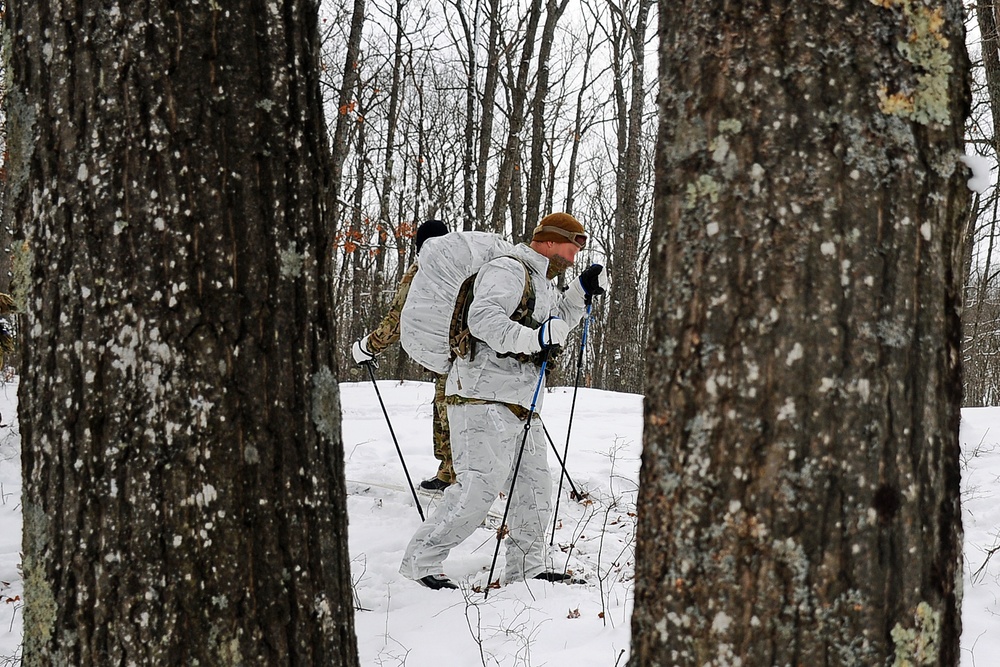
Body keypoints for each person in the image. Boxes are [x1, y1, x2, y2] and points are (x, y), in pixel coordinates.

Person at [398, 212, 608, 590]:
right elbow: (483, 320)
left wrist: (580, 290)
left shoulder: (542, 282)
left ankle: (527, 569)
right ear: (548, 240)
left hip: (522, 402)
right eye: (572, 246)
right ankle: (420, 565)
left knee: (535, 490)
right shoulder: (509, 270)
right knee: (478, 488)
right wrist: (535, 340)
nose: (576, 255)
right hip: (480, 397)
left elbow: (555, 320)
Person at [351, 219, 455, 491]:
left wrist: (370, 346)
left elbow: (399, 318)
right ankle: (451, 473)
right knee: (455, 412)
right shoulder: (463, 265)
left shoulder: (424, 268)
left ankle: (457, 479)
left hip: (452, 356)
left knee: (449, 414)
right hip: (476, 351)